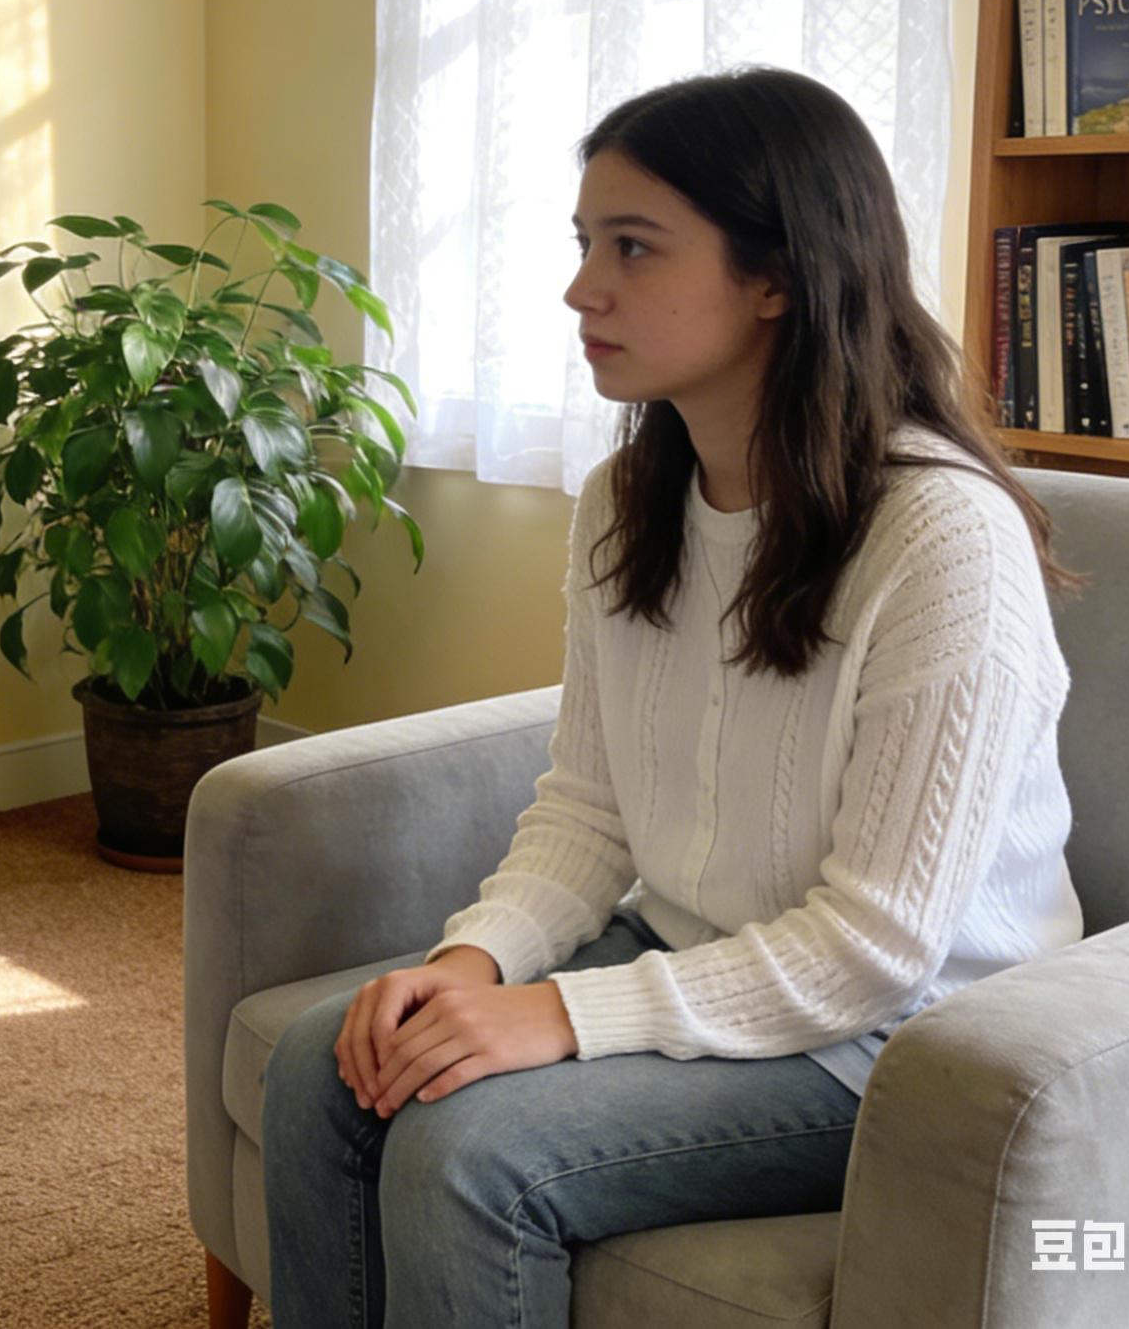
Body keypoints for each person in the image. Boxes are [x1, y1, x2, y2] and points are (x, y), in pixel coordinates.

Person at [259, 67, 1084, 1327]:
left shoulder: (942, 537)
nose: (582, 289)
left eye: (633, 247)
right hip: (692, 945)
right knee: (324, 1071)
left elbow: (875, 949)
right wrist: (474, 961)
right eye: (584, 242)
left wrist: (559, 1014)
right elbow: (590, 810)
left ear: (778, 276)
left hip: (904, 1036)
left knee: (469, 1152)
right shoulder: (624, 501)